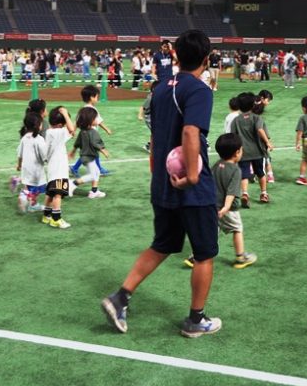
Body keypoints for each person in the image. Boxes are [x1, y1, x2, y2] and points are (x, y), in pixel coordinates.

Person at [101, 29, 221, 338]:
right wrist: (192, 176)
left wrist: (159, 176)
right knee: (205, 253)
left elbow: (155, 137)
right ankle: (196, 320)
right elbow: (191, 132)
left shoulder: (160, 90)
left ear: (175, 55)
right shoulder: (200, 90)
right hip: (192, 187)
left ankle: (120, 297)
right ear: (206, 59)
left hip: (163, 182)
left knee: (163, 244)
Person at [184, 133, 257, 270]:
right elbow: (231, 192)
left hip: (212, 206)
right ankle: (240, 257)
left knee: (211, 232)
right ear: (237, 152)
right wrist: (226, 207)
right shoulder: (236, 170)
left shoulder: (217, 165)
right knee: (237, 229)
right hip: (228, 210)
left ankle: (197, 256)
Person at [231, 92, 274, 205]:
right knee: (260, 173)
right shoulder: (256, 118)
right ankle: (264, 193)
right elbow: (260, 130)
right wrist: (268, 142)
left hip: (243, 152)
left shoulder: (236, 120)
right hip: (257, 151)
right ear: (252, 105)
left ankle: (245, 193)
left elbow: (233, 136)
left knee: (244, 174)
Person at [41, 106, 76, 229]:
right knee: (58, 194)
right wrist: (65, 114)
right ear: (61, 124)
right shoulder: (59, 132)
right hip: (59, 169)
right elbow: (71, 129)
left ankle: (46, 215)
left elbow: (71, 131)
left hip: (52, 168)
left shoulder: (50, 132)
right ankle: (56, 219)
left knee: (50, 193)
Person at [70, 85, 112, 176]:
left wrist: (73, 130)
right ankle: (97, 169)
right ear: (91, 97)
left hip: (86, 134)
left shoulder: (84, 109)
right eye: (97, 97)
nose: (97, 99)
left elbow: (77, 121)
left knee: (89, 152)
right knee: (90, 152)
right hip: (90, 135)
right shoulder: (92, 110)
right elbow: (98, 122)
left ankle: (76, 168)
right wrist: (107, 129)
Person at [70, 106, 110, 198]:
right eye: (95, 118)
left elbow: (77, 143)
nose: (97, 120)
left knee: (97, 172)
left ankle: (94, 191)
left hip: (86, 157)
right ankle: (73, 183)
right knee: (92, 175)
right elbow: (95, 143)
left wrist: (73, 151)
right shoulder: (93, 132)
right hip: (89, 157)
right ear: (90, 120)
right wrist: (103, 151)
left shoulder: (83, 131)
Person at [16, 112, 47, 214]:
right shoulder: (39, 139)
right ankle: (25, 197)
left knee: (31, 186)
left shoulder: (24, 138)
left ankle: (31, 203)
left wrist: (19, 165)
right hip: (36, 170)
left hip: (26, 169)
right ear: (38, 125)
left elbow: (20, 154)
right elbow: (45, 156)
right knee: (38, 188)